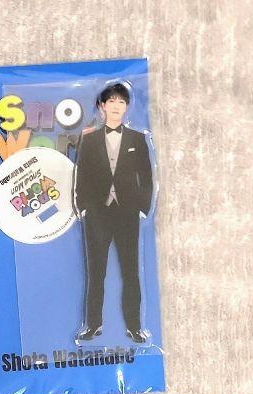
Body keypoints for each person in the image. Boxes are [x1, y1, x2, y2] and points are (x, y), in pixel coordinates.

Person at [73, 82, 154, 345]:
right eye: (112, 101)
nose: (117, 106)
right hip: (96, 215)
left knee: (131, 272)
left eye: (122, 101)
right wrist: (83, 207)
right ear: (102, 106)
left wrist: (142, 207)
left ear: (127, 107)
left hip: (127, 215)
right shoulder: (89, 139)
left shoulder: (137, 139)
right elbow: (82, 175)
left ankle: (135, 327)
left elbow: (146, 177)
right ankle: (93, 325)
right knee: (96, 273)